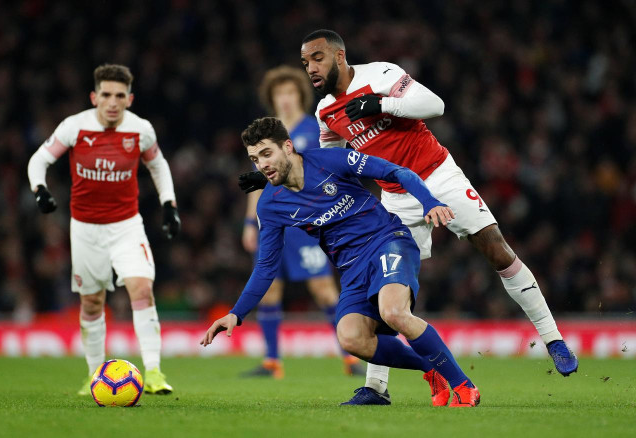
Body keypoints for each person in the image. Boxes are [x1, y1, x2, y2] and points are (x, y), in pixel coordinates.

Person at [297, 29, 578, 404]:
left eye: (317, 58)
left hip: (437, 175)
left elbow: (435, 105)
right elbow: (331, 163)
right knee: (387, 289)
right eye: (305, 63)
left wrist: (382, 105)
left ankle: (553, 339)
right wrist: (284, 177)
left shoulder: (379, 75)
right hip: (396, 197)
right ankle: (376, 388)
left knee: (497, 251)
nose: (311, 68)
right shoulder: (324, 112)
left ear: (339, 56)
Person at [202, 117, 480, 408]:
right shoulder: (270, 205)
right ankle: (431, 370)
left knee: (393, 312)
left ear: (287, 147)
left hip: (387, 239)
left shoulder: (330, 161)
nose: (261, 164)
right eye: (254, 159)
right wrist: (236, 314)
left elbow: (395, 172)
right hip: (351, 269)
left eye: (267, 153)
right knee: (351, 338)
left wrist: (429, 201)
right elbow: (266, 267)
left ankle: (464, 386)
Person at [27, 64, 180, 395]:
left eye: (120, 96)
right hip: (85, 229)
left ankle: (153, 372)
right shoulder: (74, 127)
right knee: (93, 303)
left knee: (141, 289)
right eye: (106, 95)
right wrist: (40, 189)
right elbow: (39, 159)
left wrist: (169, 204)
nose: (112, 102)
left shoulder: (141, 130)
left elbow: (158, 165)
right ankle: (94, 374)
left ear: (129, 99)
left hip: (126, 226)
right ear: (94, 96)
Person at [240, 66, 364, 378]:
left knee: (323, 289)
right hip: (273, 222)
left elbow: (329, 170)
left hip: (307, 222)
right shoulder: (265, 134)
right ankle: (272, 362)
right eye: (278, 93)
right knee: (269, 291)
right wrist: (249, 223)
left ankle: (351, 357)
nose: (284, 99)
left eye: (289, 92)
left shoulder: (315, 128)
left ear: (300, 96)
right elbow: (260, 182)